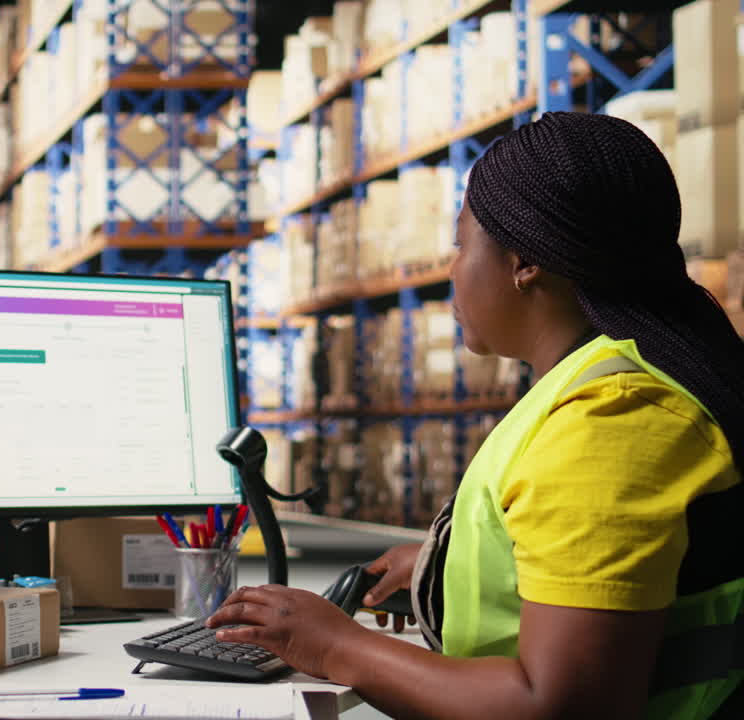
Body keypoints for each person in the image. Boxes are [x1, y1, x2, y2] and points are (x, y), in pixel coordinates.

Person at [207, 111, 744, 719]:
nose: (455, 270)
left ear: (523, 262)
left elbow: (558, 705)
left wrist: (336, 644)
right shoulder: (601, 385)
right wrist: (444, 571)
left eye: (463, 244)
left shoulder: (611, 420)